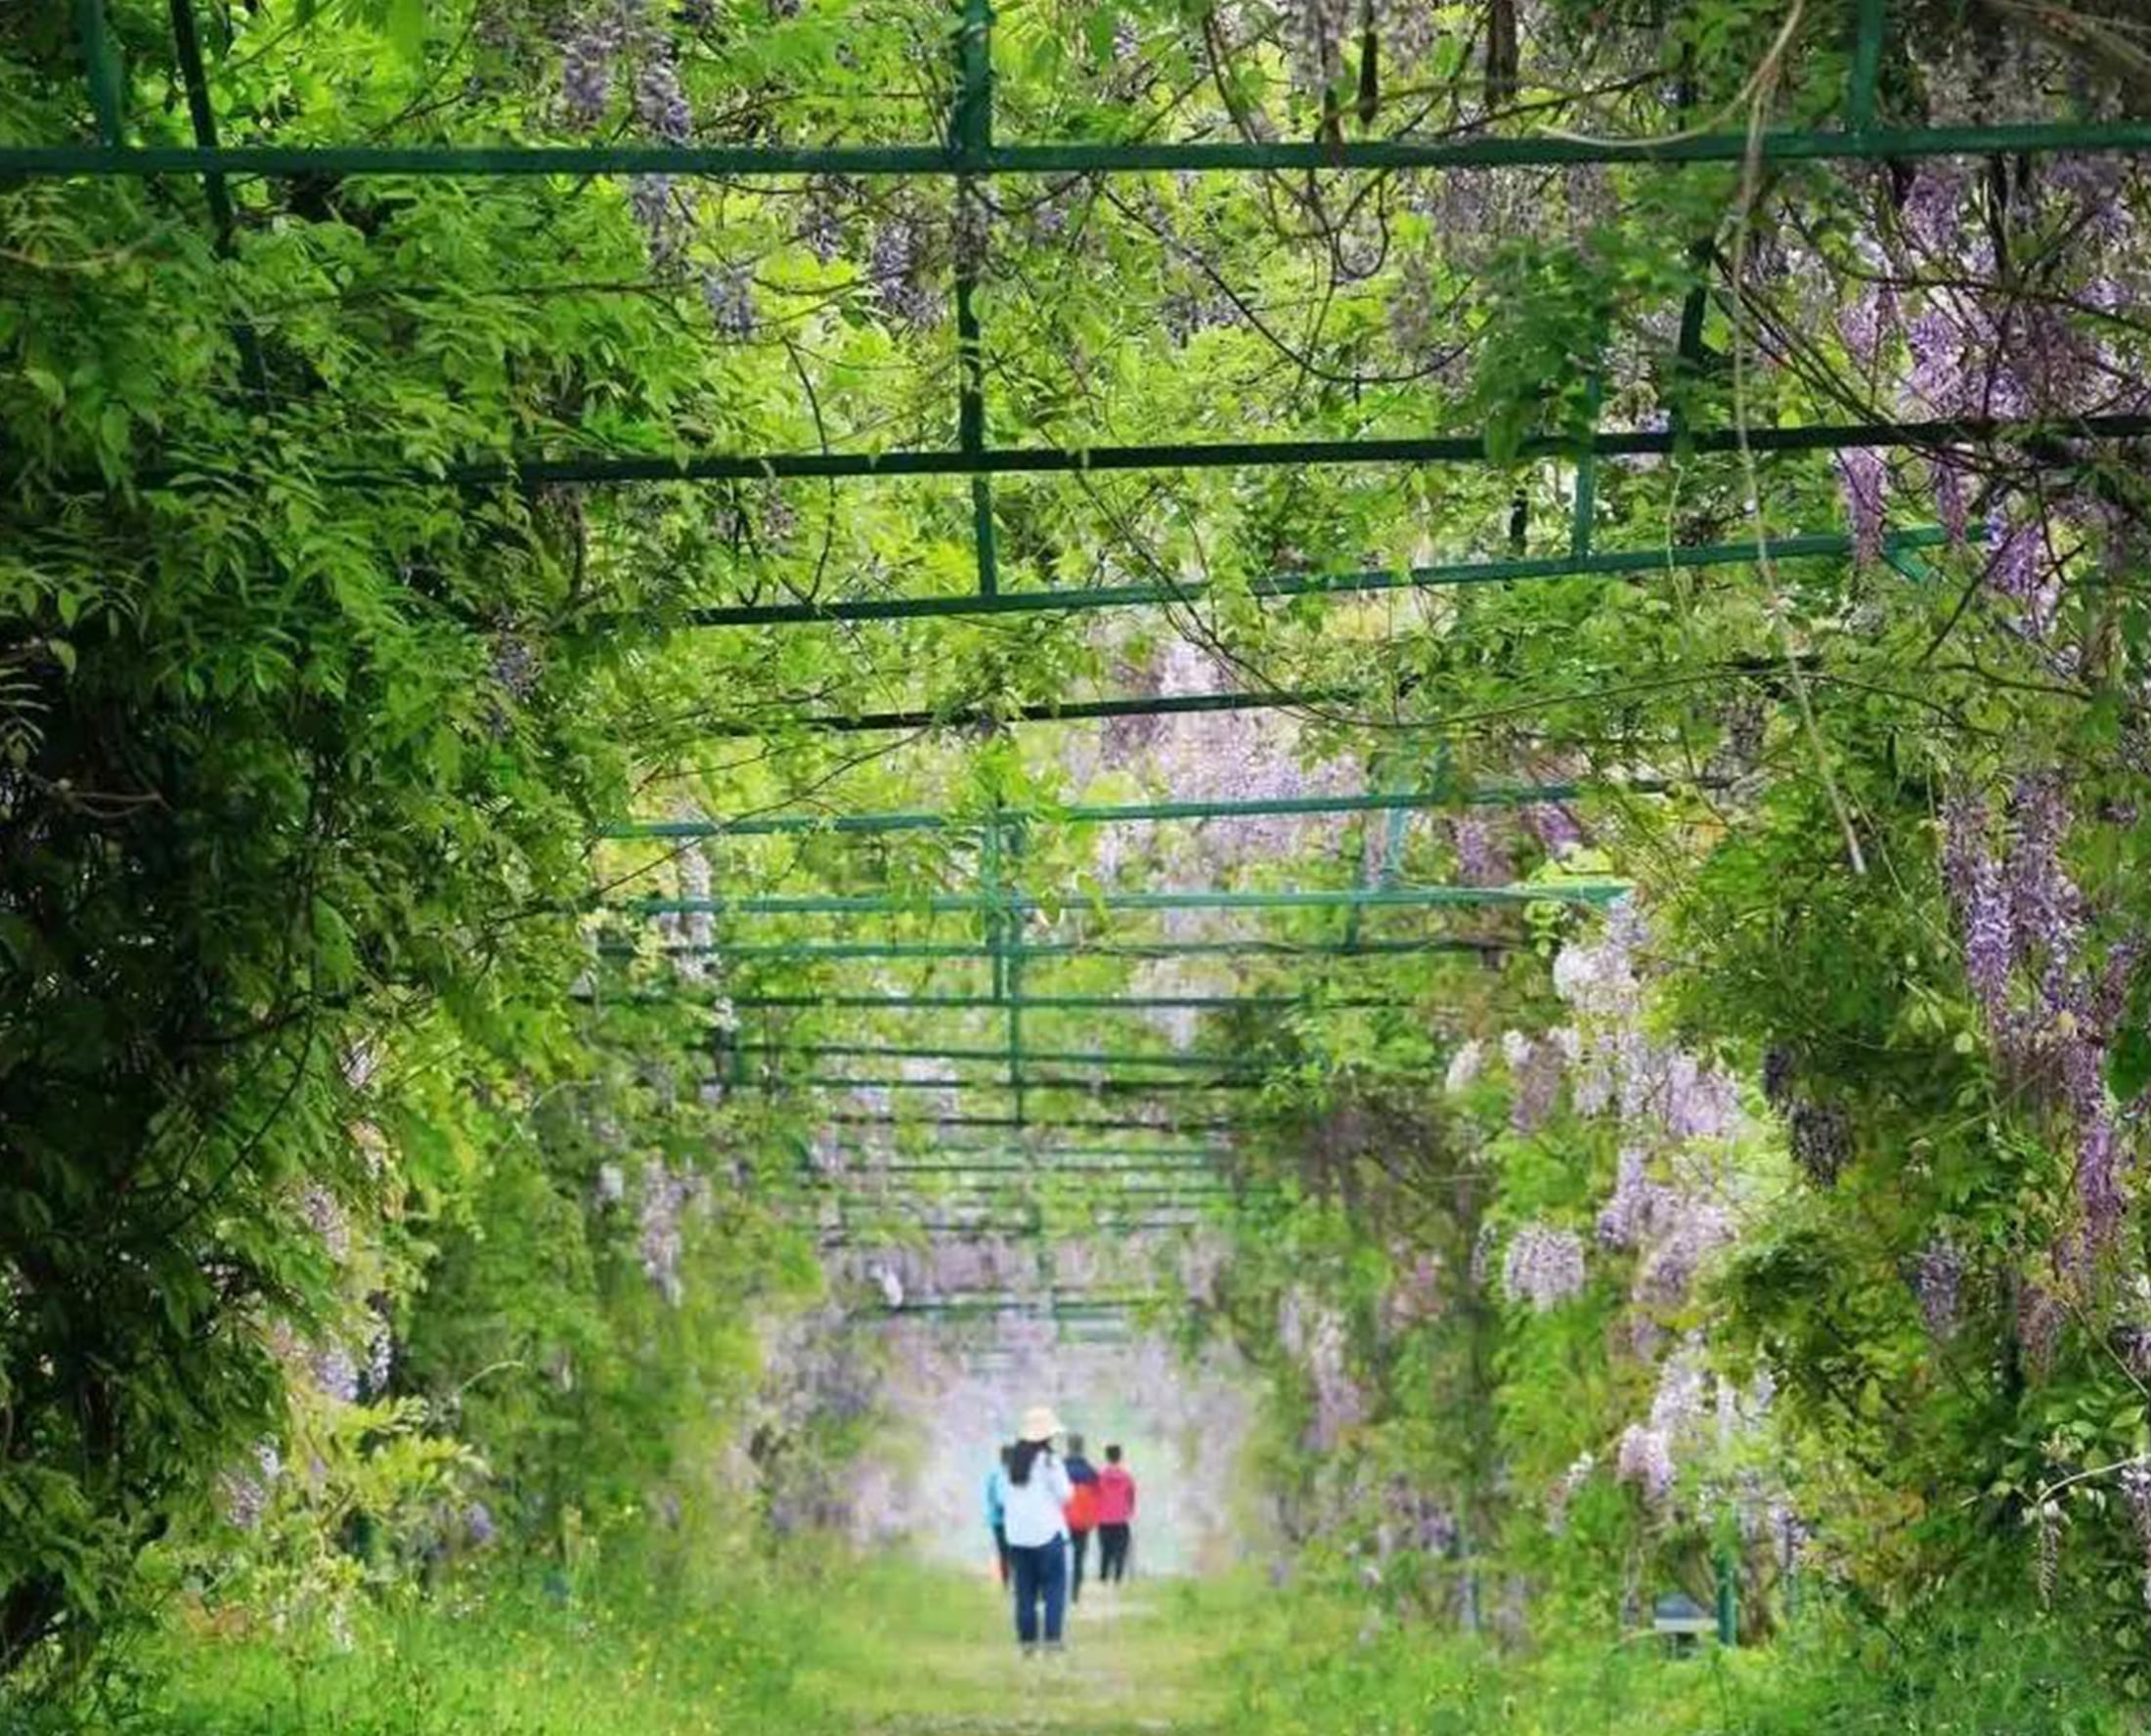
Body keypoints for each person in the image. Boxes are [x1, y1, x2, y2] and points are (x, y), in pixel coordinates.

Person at [1000, 1406, 1073, 1653]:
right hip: (1048, 1534)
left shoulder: (1012, 1466)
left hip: (1018, 1537)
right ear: (1047, 1436)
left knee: (1025, 1591)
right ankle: (1053, 1638)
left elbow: (1003, 1499)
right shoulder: (1050, 1462)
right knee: (1054, 1587)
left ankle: (1027, 1641)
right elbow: (1065, 1495)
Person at [1061, 1431, 1100, 1603]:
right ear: (1082, 1448)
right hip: (1083, 1522)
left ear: (1068, 1447)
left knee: (1061, 1556)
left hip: (1062, 1520)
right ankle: (1075, 1593)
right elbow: (1098, 1496)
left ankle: (1061, 1588)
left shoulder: (1060, 1469)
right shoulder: (1091, 1472)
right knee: (1079, 1557)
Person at [1095, 1443, 1136, 1585]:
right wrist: (1129, 1512)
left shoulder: (1100, 1476)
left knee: (1105, 1551)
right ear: (1120, 1457)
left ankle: (1103, 1578)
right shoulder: (1126, 1477)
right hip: (1121, 1520)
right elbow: (1131, 1497)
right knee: (1120, 1551)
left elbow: (1095, 1496)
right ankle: (1118, 1578)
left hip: (1103, 1520)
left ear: (1107, 1457)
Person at [985, 1444, 1013, 1584]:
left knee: (1003, 1552)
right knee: (1013, 1551)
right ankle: (1012, 1580)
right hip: (1012, 1520)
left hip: (997, 1520)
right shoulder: (1015, 1474)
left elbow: (989, 1496)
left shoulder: (994, 1474)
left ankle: (1006, 1582)